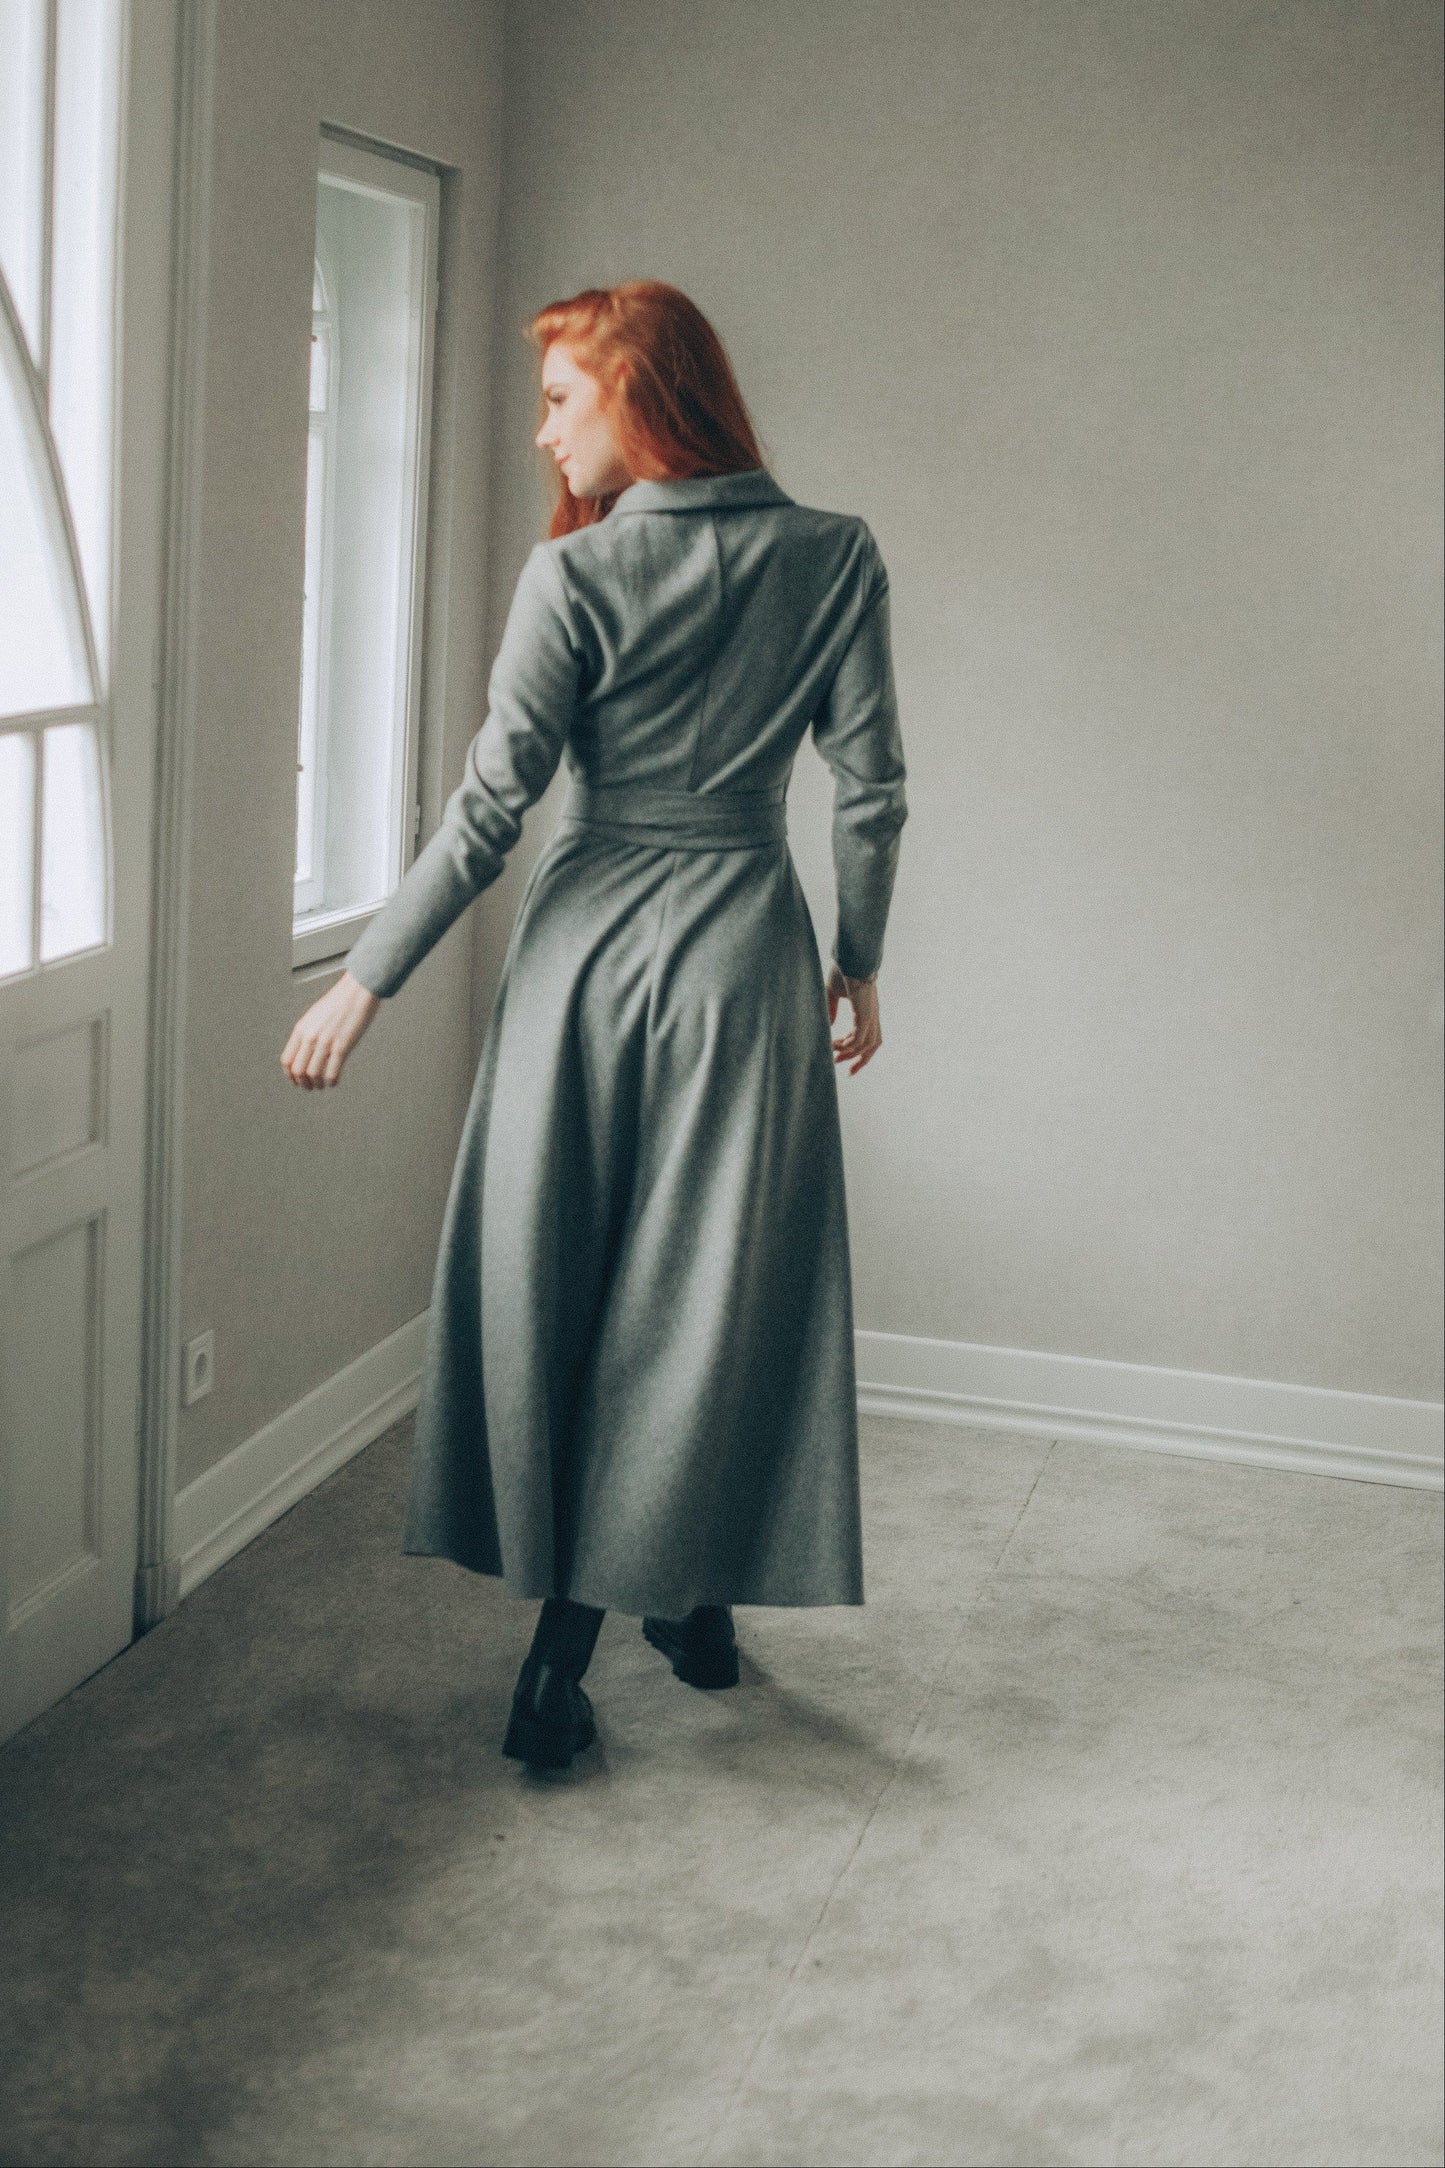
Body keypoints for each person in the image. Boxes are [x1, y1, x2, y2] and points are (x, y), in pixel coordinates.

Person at [280, 280, 907, 1773]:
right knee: (704, 1302)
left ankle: (565, 1659)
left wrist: (366, 977)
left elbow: (489, 811)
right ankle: (686, 1605)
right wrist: (858, 959)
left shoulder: (572, 575)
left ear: (640, 395)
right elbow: (873, 789)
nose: (544, 433)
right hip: (743, 959)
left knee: (571, 1289)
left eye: (561, 400)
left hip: (583, 967)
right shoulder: (833, 554)